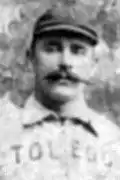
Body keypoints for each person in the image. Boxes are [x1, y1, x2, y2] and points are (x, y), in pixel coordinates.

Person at [0, 2, 120, 180]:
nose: (65, 61)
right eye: (52, 48)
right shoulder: (4, 131)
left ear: (93, 64)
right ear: (30, 57)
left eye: (77, 50)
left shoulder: (113, 139)